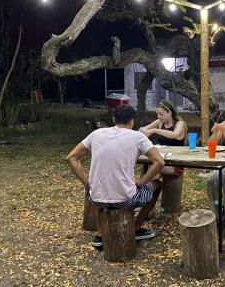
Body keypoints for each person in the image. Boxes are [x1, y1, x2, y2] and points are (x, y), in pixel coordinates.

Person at [66, 104, 165, 248]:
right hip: (125, 200)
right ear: (132, 122)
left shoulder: (96, 134)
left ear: (113, 119)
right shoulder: (137, 136)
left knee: (101, 189)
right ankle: (136, 228)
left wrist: (87, 183)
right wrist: (141, 182)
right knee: (157, 185)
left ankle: (100, 235)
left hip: (96, 199)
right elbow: (159, 162)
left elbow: (71, 157)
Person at [139, 99, 187, 176]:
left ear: (170, 113)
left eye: (161, 114)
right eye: (157, 114)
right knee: (147, 164)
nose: (158, 117)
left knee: (150, 166)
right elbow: (143, 129)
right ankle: (148, 185)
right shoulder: (159, 122)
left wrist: (155, 130)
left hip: (174, 163)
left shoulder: (179, 123)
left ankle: (145, 184)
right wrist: (143, 131)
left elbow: (175, 134)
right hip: (161, 159)